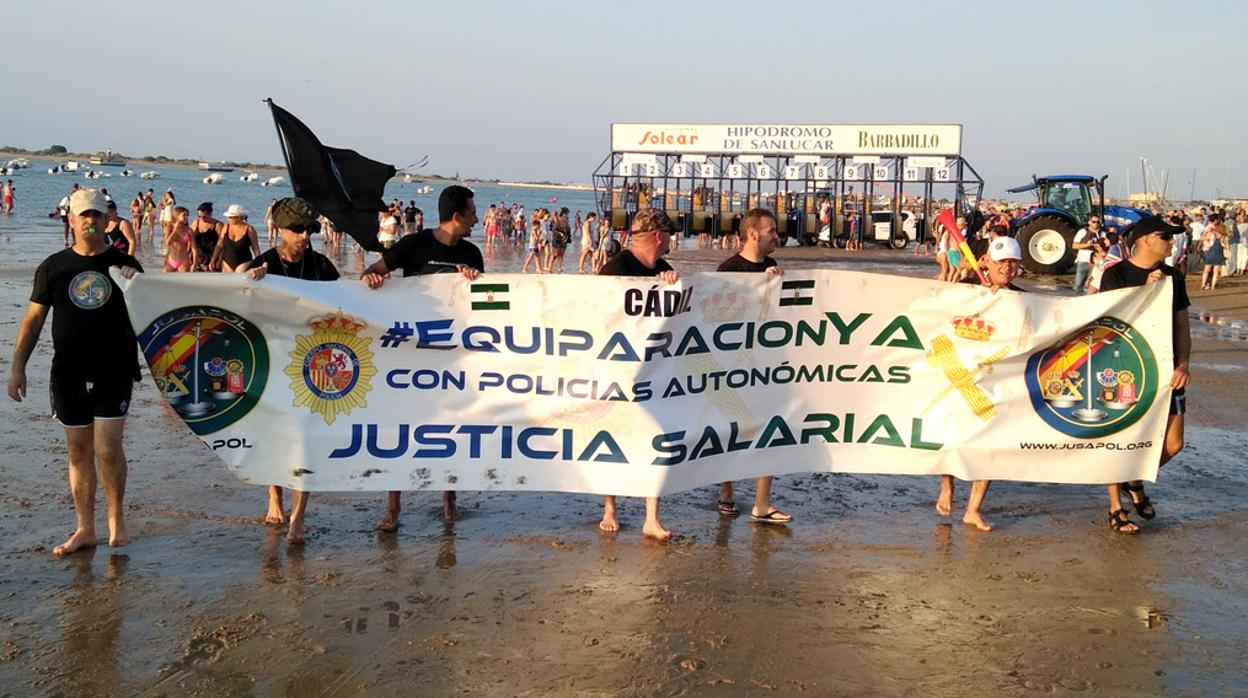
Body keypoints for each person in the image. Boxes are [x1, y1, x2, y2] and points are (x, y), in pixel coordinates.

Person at [6, 188, 143, 556]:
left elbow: (154, 317)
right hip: (67, 371)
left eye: (97, 215)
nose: (90, 221)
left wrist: (135, 285)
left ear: (106, 219)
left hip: (114, 370)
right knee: (78, 452)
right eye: (83, 215)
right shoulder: (53, 267)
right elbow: (34, 320)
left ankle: (117, 519)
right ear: (71, 219)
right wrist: (17, 368)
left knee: (107, 448)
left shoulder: (124, 264)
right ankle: (85, 528)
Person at [361, 185, 482, 528]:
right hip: (411, 356)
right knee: (401, 430)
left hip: (453, 357)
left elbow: (489, 304)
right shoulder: (413, 245)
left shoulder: (472, 253)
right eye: (472, 213)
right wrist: (371, 278)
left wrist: (475, 282)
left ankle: (449, 502)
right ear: (456, 216)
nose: (476, 218)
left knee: (452, 429)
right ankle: (393, 508)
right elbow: (372, 271)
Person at [242, 198, 340, 543]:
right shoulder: (264, 264)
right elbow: (236, 300)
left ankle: (298, 517)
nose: (304, 236)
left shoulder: (321, 266)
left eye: (310, 230)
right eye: (297, 230)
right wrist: (248, 281)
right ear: (280, 230)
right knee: (272, 435)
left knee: (305, 440)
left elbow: (348, 303)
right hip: (271, 363)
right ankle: (274, 494)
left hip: (311, 367)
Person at [1099, 215, 1191, 534]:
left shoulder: (1173, 277)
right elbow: (1108, 322)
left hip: (1167, 369)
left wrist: (1183, 364)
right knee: (1120, 437)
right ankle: (1116, 506)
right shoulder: (1116, 275)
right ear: (1146, 239)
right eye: (1165, 236)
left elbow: (1182, 325)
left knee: (1174, 442)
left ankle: (1133, 478)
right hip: (1124, 366)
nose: (1171, 242)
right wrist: (1145, 293)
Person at [597, 208, 680, 541]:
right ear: (659, 236)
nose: (672, 240)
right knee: (612, 437)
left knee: (655, 437)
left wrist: (672, 285)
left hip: (653, 370)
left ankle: (651, 517)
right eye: (670, 234)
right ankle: (610, 509)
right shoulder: (615, 269)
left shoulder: (664, 269)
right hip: (618, 366)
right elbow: (597, 315)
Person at [936, 236, 1027, 531]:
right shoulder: (967, 290)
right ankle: (947, 486)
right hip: (962, 376)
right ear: (987, 262)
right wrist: (967, 286)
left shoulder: (1024, 298)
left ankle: (973, 509)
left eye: (1013, 262)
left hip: (999, 380)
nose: (1007, 268)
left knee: (992, 444)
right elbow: (935, 309)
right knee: (955, 437)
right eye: (1002, 262)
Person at [714, 209, 793, 524]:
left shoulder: (773, 267)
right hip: (732, 363)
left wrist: (779, 287)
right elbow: (714, 314)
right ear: (753, 234)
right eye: (772, 231)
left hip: (765, 362)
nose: (777, 236)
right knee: (730, 428)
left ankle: (762, 502)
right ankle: (727, 492)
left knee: (770, 427)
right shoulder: (728, 269)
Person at [211, 204, 261, 273]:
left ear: (239, 217)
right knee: (228, 282)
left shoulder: (249, 229)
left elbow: (256, 249)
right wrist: (213, 260)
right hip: (227, 261)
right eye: (228, 217)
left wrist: (259, 263)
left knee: (239, 278)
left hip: (243, 262)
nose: (229, 219)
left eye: (231, 217)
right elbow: (219, 245)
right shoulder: (226, 227)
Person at [189, 202, 223, 271]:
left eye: (204, 217)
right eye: (199, 216)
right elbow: (190, 241)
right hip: (197, 257)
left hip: (212, 257)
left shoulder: (218, 225)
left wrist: (219, 261)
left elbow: (222, 245)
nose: (202, 219)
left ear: (210, 214)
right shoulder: (195, 223)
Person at [1198, 213, 1227, 290]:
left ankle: (1203, 284)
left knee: (1207, 269)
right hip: (1219, 250)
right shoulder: (1222, 232)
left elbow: (1202, 238)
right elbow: (1225, 241)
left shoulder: (1210, 230)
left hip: (1210, 250)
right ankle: (1213, 286)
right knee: (1216, 270)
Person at [163, 206, 193, 272]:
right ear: (177, 216)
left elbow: (191, 247)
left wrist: (193, 262)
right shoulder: (169, 228)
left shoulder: (188, 229)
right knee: (165, 275)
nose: (187, 217)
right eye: (184, 215)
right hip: (170, 260)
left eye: (187, 215)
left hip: (184, 260)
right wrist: (176, 229)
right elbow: (167, 243)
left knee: (183, 280)